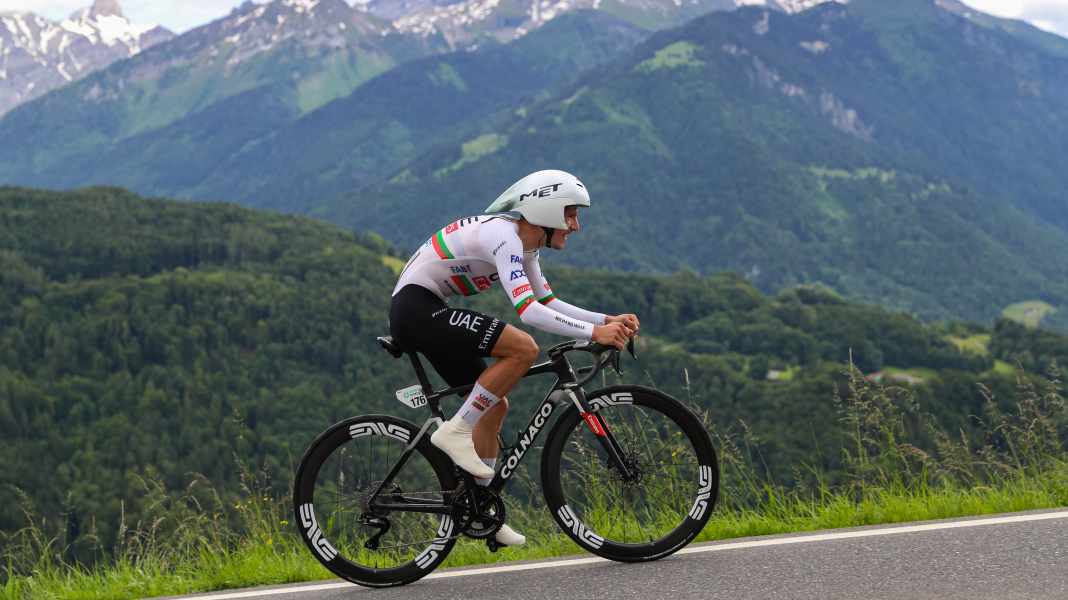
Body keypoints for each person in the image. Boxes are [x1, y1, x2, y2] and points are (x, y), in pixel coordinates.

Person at [388, 169, 640, 547]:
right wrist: (593, 334)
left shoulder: (527, 244)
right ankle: (455, 433)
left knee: (494, 406)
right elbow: (529, 312)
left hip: (426, 310)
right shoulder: (504, 236)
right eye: (571, 214)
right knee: (522, 348)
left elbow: (548, 301)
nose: (576, 226)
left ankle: (481, 508)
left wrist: (605, 321)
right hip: (416, 311)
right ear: (548, 211)